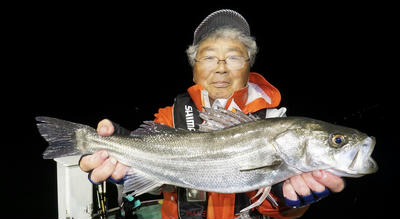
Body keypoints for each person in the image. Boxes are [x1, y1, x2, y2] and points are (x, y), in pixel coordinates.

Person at [79, 9, 344, 219]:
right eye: (208, 58)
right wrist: (117, 143)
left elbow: (275, 208)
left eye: (233, 57)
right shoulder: (172, 116)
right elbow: (151, 164)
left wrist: (290, 205)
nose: (221, 68)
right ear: (194, 69)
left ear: (249, 65)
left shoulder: (274, 121)